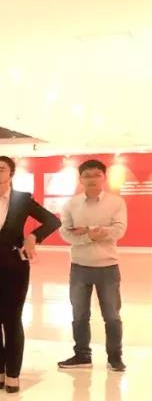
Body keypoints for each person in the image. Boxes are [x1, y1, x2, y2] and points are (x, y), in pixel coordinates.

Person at [0, 156, 60, 393]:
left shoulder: (22, 200)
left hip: (15, 266)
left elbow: (52, 221)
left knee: (12, 319)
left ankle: (13, 373)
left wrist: (33, 237)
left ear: (11, 174)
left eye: (1, 169)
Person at [57, 159, 128, 372]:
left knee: (112, 316)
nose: (92, 179)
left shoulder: (116, 202)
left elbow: (119, 230)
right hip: (79, 267)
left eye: (96, 174)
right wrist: (92, 235)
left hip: (108, 267)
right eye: (87, 175)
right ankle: (82, 355)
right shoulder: (71, 204)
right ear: (80, 179)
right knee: (79, 315)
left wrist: (87, 229)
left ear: (103, 177)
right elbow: (66, 233)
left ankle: (115, 357)